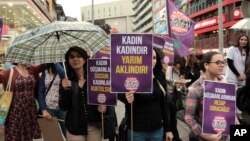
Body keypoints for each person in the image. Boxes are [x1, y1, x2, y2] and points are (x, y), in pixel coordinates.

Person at [118, 48, 173, 141]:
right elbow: (119, 94)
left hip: (157, 130)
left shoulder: (159, 76)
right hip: (136, 131)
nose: (152, 61)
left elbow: (163, 106)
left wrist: (168, 129)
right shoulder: (131, 76)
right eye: (148, 57)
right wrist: (126, 96)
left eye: (154, 58)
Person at [59, 46, 108, 141]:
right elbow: (63, 107)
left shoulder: (95, 76)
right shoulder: (65, 81)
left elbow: (104, 96)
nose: (75, 59)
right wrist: (65, 90)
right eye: (72, 57)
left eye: (78, 56)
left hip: (94, 125)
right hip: (74, 127)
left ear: (85, 59)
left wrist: (103, 106)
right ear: (68, 61)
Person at [185, 51, 226, 141]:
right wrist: (204, 135)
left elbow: (231, 112)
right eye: (217, 62)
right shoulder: (195, 88)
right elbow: (189, 117)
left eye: (223, 62)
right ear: (206, 65)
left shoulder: (225, 85)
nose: (222, 65)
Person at [0, 64, 42, 141]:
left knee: (28, 136)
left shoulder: (32, 69)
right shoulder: (8, 72)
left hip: (30, 111)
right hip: (15, 112)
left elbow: (44, 65)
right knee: (14, 136)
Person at [225, 35, 249, 121]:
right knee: (232, 96)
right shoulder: (232, 49)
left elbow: (246, 65)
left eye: (245, 40)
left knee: (240, 97)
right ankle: (232, 115)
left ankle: (239, 113)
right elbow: (230, 63)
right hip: (232, 77)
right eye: (241, 39)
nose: (243, 41)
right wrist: (238, 74)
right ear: (238, 40)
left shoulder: (247, 51)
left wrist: (244, 75)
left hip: (243, 78)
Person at [38, 63, 66, 136]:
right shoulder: (45, 69)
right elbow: (41, 91)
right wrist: (44, 110)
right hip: (49, 108)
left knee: (68, 134)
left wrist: (55, 60)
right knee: (52, 136)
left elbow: (63, 74)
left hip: (63, 108)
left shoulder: (64, 66)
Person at [165, 57, 187, 141]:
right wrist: (177, 82)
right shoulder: (169, 69)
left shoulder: (180, 73)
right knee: (167, 119)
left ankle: (175, 137)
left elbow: (179, 89)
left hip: (173, 100)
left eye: (178, 68)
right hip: (166, 98)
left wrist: (183, 86)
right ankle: (170, 135)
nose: (176, 69)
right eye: (175, 66)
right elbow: (166, 79)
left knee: (173, 120)